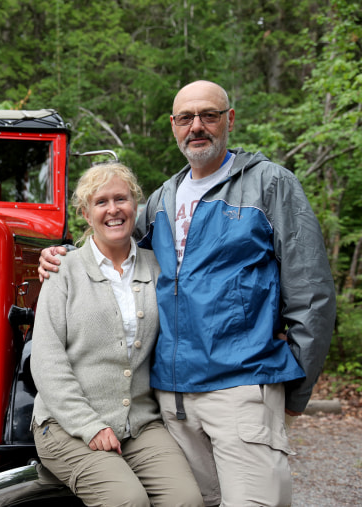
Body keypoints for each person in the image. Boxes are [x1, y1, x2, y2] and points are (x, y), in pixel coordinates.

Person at [38, 80, 336, 506]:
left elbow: (312, 292)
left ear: (229, 120)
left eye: (209, 115)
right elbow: (113, 246)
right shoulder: (163, 200)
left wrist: (298, 387)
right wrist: (63, 255)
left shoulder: (269, 185)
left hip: (240, 387)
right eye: (186, 118)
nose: (197, 126)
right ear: (174, 126)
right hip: (173, 400)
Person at [31, 162, 203, 507]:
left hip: (139, 423)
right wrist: (90, 426)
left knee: (187, 500)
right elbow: (46, 361)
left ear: (135, 205)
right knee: (126, 500)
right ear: (86, 212)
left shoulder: (158, 268)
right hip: (66, 425)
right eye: (101, 202)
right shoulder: (63, 269)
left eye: (121, 199)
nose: (113, 210)